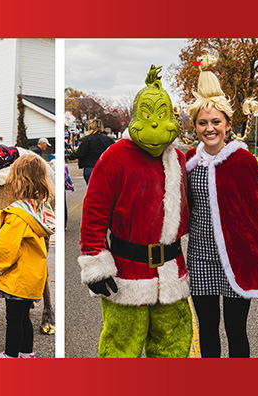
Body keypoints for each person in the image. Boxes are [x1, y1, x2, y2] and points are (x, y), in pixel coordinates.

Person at [78, 65, 191, 358]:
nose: (155, 125)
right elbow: (94, 215)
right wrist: (95, 263)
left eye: (161, 115)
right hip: (126, 277)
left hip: (172, 277)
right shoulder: (114, 158)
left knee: (173, 348)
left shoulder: (178, 158)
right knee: (120, 348)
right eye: (147, 115)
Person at [183, 55, 258, 358]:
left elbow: (256, 214)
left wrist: (255, 254)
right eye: (202, 122)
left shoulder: (243, 161)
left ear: (227, 124)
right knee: (207, 327)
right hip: (200, 257)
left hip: (237, 256)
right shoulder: (189, 162)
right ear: (195, 126)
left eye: (216, 122)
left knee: (236, 329)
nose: (209, 128)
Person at [0, 155, 54, 358]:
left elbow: (7, 246)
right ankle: (27, 354)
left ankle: (10, 357)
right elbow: (4, 219)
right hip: (33, 277)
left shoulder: (17, 214)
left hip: (17, 278)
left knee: (14, 320)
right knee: (24, 317)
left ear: (18, 182)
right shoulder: (39, 208)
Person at [74, 119, 114, 184]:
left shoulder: (87, 139)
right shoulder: (108, 139)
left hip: (90, 167)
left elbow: (80, 153)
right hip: (105, 168)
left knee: (93, 191)